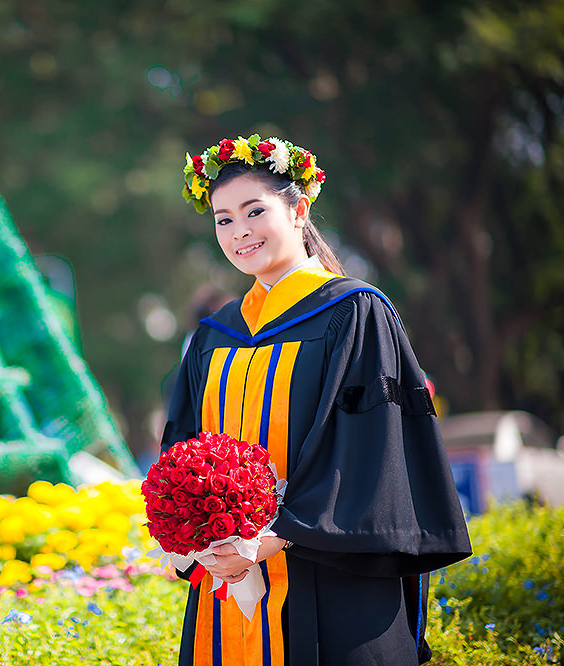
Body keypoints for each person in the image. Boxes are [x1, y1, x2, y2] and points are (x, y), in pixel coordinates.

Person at [161, 135, 471, 666]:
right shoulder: (216, 334)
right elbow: (182, 446)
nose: (239, 232)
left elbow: (370, 449)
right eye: (223, 219)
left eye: (255, 211)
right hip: (225, 580)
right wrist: (199, 537)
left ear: (299, 209)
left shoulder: (353, 313)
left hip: (330, 576)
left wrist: (270, 539)